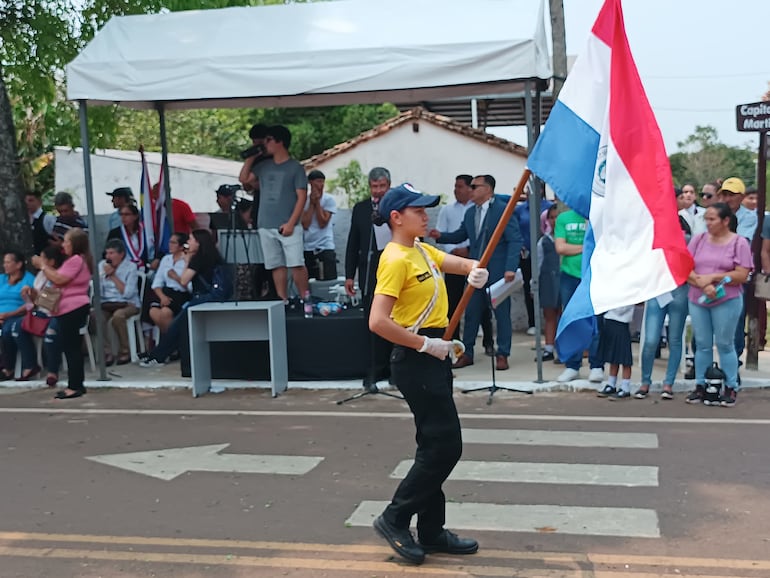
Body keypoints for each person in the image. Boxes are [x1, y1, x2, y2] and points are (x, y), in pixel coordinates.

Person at [368, 183, 484, 565]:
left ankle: (431, 531)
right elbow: (378, 322)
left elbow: (457, 263)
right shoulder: (395, 258)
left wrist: (473, 271)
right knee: (445, 446)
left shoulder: (421, 250)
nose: (426, 215)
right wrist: (424, 344)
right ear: (396, 218)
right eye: (418, 210)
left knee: (432, 446)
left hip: (435, 355)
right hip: (416, 359)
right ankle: (395, 517)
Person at [429, 174, 523, 371]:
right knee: (471, 312)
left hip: (498, 272)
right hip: (476, 272)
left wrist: (510, 267)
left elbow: (515, 240)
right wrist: (441, 237)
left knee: (501, 314)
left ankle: (502, 353)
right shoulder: (471, 213)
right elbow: (462, 234)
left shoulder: (502, 210)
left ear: (488, 189)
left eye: (474, 186)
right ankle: (467, 353)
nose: (470, 190)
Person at [685, 203, 752, 407]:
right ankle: (701, 384)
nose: (708, 223)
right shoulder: (699, 240)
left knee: (725, 343)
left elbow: (742, 273)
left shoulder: (739, 243)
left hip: (727, 299)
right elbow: (685, 267)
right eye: (707, 219)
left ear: (725, 221)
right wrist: (702, 285)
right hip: (699, 298)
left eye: (713, 219)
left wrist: (714, 278)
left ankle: (730, 386)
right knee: (702, 344)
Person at [246, 125, 312, 311]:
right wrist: (251, 157)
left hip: (288, 224)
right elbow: (244, 178)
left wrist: (291, 222)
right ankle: (282, 301)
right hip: (266, 223)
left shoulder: (295, 168)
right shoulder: (263, 166)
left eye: (268, 140)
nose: (264, 144)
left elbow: (302, 196)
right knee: (276, 265)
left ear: (279, 141)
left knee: (296, 263)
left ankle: (304, 299)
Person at [636, 188, 692, 401]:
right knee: (650, 339)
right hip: (657, 287)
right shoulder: (651, 225)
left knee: (675, 338)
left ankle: (668, 383)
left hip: (679, 286)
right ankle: (645, 382)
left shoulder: (685, 225)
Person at [140, 229, 224, 368]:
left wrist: (187, 261)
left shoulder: (197, 259)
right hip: (210, 297)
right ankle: (159, 354)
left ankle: (158, 356)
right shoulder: (212, 255)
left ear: (198, 242)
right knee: (175, 325)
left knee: (175, 326)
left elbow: (184, 281)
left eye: (191, 239)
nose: (188, 243)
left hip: (201, 299)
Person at [344, 166, 394, 390]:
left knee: (395, 322)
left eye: (382, 186)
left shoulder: (398, 208)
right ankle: (374, 371)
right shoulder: (361, 208)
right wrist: (349, 275)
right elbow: (353, 243)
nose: (378, 191)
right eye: (374, 187)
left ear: (389, 186)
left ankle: (395, 371)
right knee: (373, 324)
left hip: (394, 271)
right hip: (368, 274)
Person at [31, 228, 93, 399]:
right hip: (69, 308)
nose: (63, 244)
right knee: (71, 347)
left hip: (72, 308)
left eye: (66, 241)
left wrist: (43, 265)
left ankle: (74, 386)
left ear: (75, 244)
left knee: (71, 348)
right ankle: (76, 384)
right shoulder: (78, 260)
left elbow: (59, 279)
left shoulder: (75, 260)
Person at [435, 174, 494, 352]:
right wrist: (451, 251)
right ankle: (456, 342)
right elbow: (444, 234)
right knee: (452, 302)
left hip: (474, 262)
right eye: (455, 186)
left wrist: (467, 251)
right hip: (452, 262)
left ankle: (488, 342)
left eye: (461, 186)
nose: (456, 190)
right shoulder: (447, 210)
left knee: (481, 304)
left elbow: (480, 238)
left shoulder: (481, 209)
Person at [553, 207, 604, 383]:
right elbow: (561, 247)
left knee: (596, 320)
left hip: (594, 274)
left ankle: (596, 365)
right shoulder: (563, 218)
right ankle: (572, 366)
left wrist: (577, 247)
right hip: (569, 276)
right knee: (572, 319)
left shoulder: (598, 217)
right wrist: (587, 246)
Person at [21, 246, 66, 387]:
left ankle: (53, 371)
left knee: (50, 335)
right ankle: (30, 364)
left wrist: (37, 296)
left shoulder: (59, 274)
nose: (39, 260)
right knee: (17, 327)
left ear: (51, 261)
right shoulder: (41, 275)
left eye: (43, 258)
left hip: (56, 313)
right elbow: (36, 302)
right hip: (40, 311)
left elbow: (51, 300)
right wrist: (29, 294)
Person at [513, 186, 552, 336]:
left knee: (548, 288)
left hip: (546, 253)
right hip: (526, 254)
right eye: (527, 189)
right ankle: (532, 322)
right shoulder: (520, 209)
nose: (530, 192)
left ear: (541, 190)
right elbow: (515, 229)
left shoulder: (548, 208)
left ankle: (549, 322)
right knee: (529, 288)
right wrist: (520, 245)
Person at [98, 239, 141, 366]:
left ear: (121, 254)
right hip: (107, 303)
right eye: (107, 253)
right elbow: (98, 291)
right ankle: (107, 352)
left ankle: (125, 351)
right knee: (96, 317)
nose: (108, 257)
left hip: (128, 303)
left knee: (118, 316)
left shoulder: (131, 267)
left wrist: (113, 276)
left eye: (111, 253)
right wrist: (102, 277)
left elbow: (128, 293)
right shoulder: (102, 265)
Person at [0, 252, 37, 381]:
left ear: (19, 264)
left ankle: (7, 368)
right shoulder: (2, 279)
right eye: (4, 262)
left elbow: (30, 303)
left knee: (7, 329)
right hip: (1, 316)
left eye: (8, 262)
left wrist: (9, 314)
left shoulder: (29, 279)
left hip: (19, 315)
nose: (5, 265)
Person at [149, 232, 191, 334]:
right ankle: (169, 340)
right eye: (170, 242)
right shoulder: (166, 259)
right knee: (153, 312)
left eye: (173, 243)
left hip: (181, 294)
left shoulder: (187, 260)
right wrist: (162, 297)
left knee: (165, 312)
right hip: (166, 293)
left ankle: (170, 342)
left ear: (181, 246)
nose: (170, 245)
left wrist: (176, 277)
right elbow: (157, 283)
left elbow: (190, 287)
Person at [301, 169, 338, 280]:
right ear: (310, 183)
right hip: (308, 245)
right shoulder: (303, 201)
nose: (320, 185)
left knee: (329, 278)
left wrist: (317, 203)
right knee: (311, 280)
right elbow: (305, 224)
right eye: (317, 181)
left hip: (325, 244)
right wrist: (312, 203)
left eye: (322, 181)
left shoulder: (329, 200)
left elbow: (323, 222)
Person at [535, 204, 560, 362]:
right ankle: (549, 347)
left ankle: (564, 348)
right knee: (549, 315)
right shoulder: (543, 241)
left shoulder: (568, 239)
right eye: (551, 217)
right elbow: (538, 262)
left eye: (557, 216)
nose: (554, 220)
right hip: (548, 281)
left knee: (563, 314)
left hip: (563, 278)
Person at [596, 305, 634, 399]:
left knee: (625, 358)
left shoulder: (628, 292)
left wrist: (609, 304)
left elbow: (621, 309)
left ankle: (625, 387)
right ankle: (611, 384)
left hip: (622, 324)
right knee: (613, 357)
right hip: (609, 322)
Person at [106, 204, 148, 268]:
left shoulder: (145, 231)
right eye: (121, 214)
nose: (123, 217)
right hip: (122, 269)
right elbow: (106, 253)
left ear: (135, 216)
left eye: (126, 214)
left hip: (143, 266)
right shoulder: (115, 233)